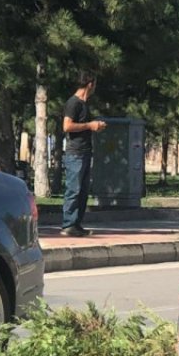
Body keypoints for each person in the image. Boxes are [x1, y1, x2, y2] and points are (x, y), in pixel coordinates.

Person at [60, 73, 108, 237]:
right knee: (74, 189)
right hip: (76, 153)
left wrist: (94, 126)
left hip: (85, 152)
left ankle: (76, 224)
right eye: (95, 84)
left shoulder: (84, 104)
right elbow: (67, 126)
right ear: (90, 84)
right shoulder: (73, 103)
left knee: (83, 190)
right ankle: (68, 224)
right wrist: (89, 125)